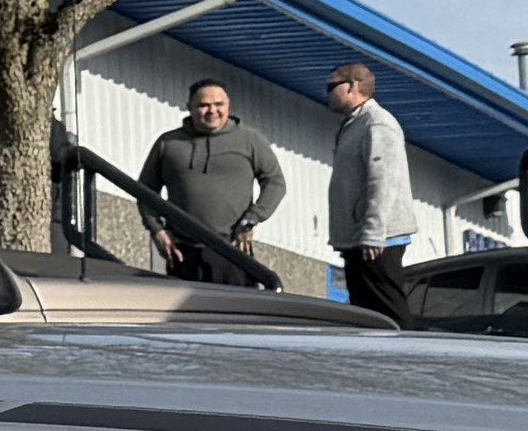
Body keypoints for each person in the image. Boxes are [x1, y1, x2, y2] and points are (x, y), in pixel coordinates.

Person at [135, 82, 288, 287]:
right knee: (185, 317)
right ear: (189, 107)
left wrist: (252, 219)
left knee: (234, 316)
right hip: (183, 252)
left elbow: (275, 182)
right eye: (204, 105)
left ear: (228, 105)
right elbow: (145, 191)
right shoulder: (169, 143)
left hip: (232, 251)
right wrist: (157, 231)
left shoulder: (250, 140)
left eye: (219, 104)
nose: (212, 111)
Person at [323, 62, 420, 321]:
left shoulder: (377, 124)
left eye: (332, 86)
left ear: (353, 86)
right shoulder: (354, 124)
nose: (327, 93)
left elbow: (383, 180)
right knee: (366, 316)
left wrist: (374, 233)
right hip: (359, 240)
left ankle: (404, 360)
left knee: (388, 313)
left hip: (377, 242)